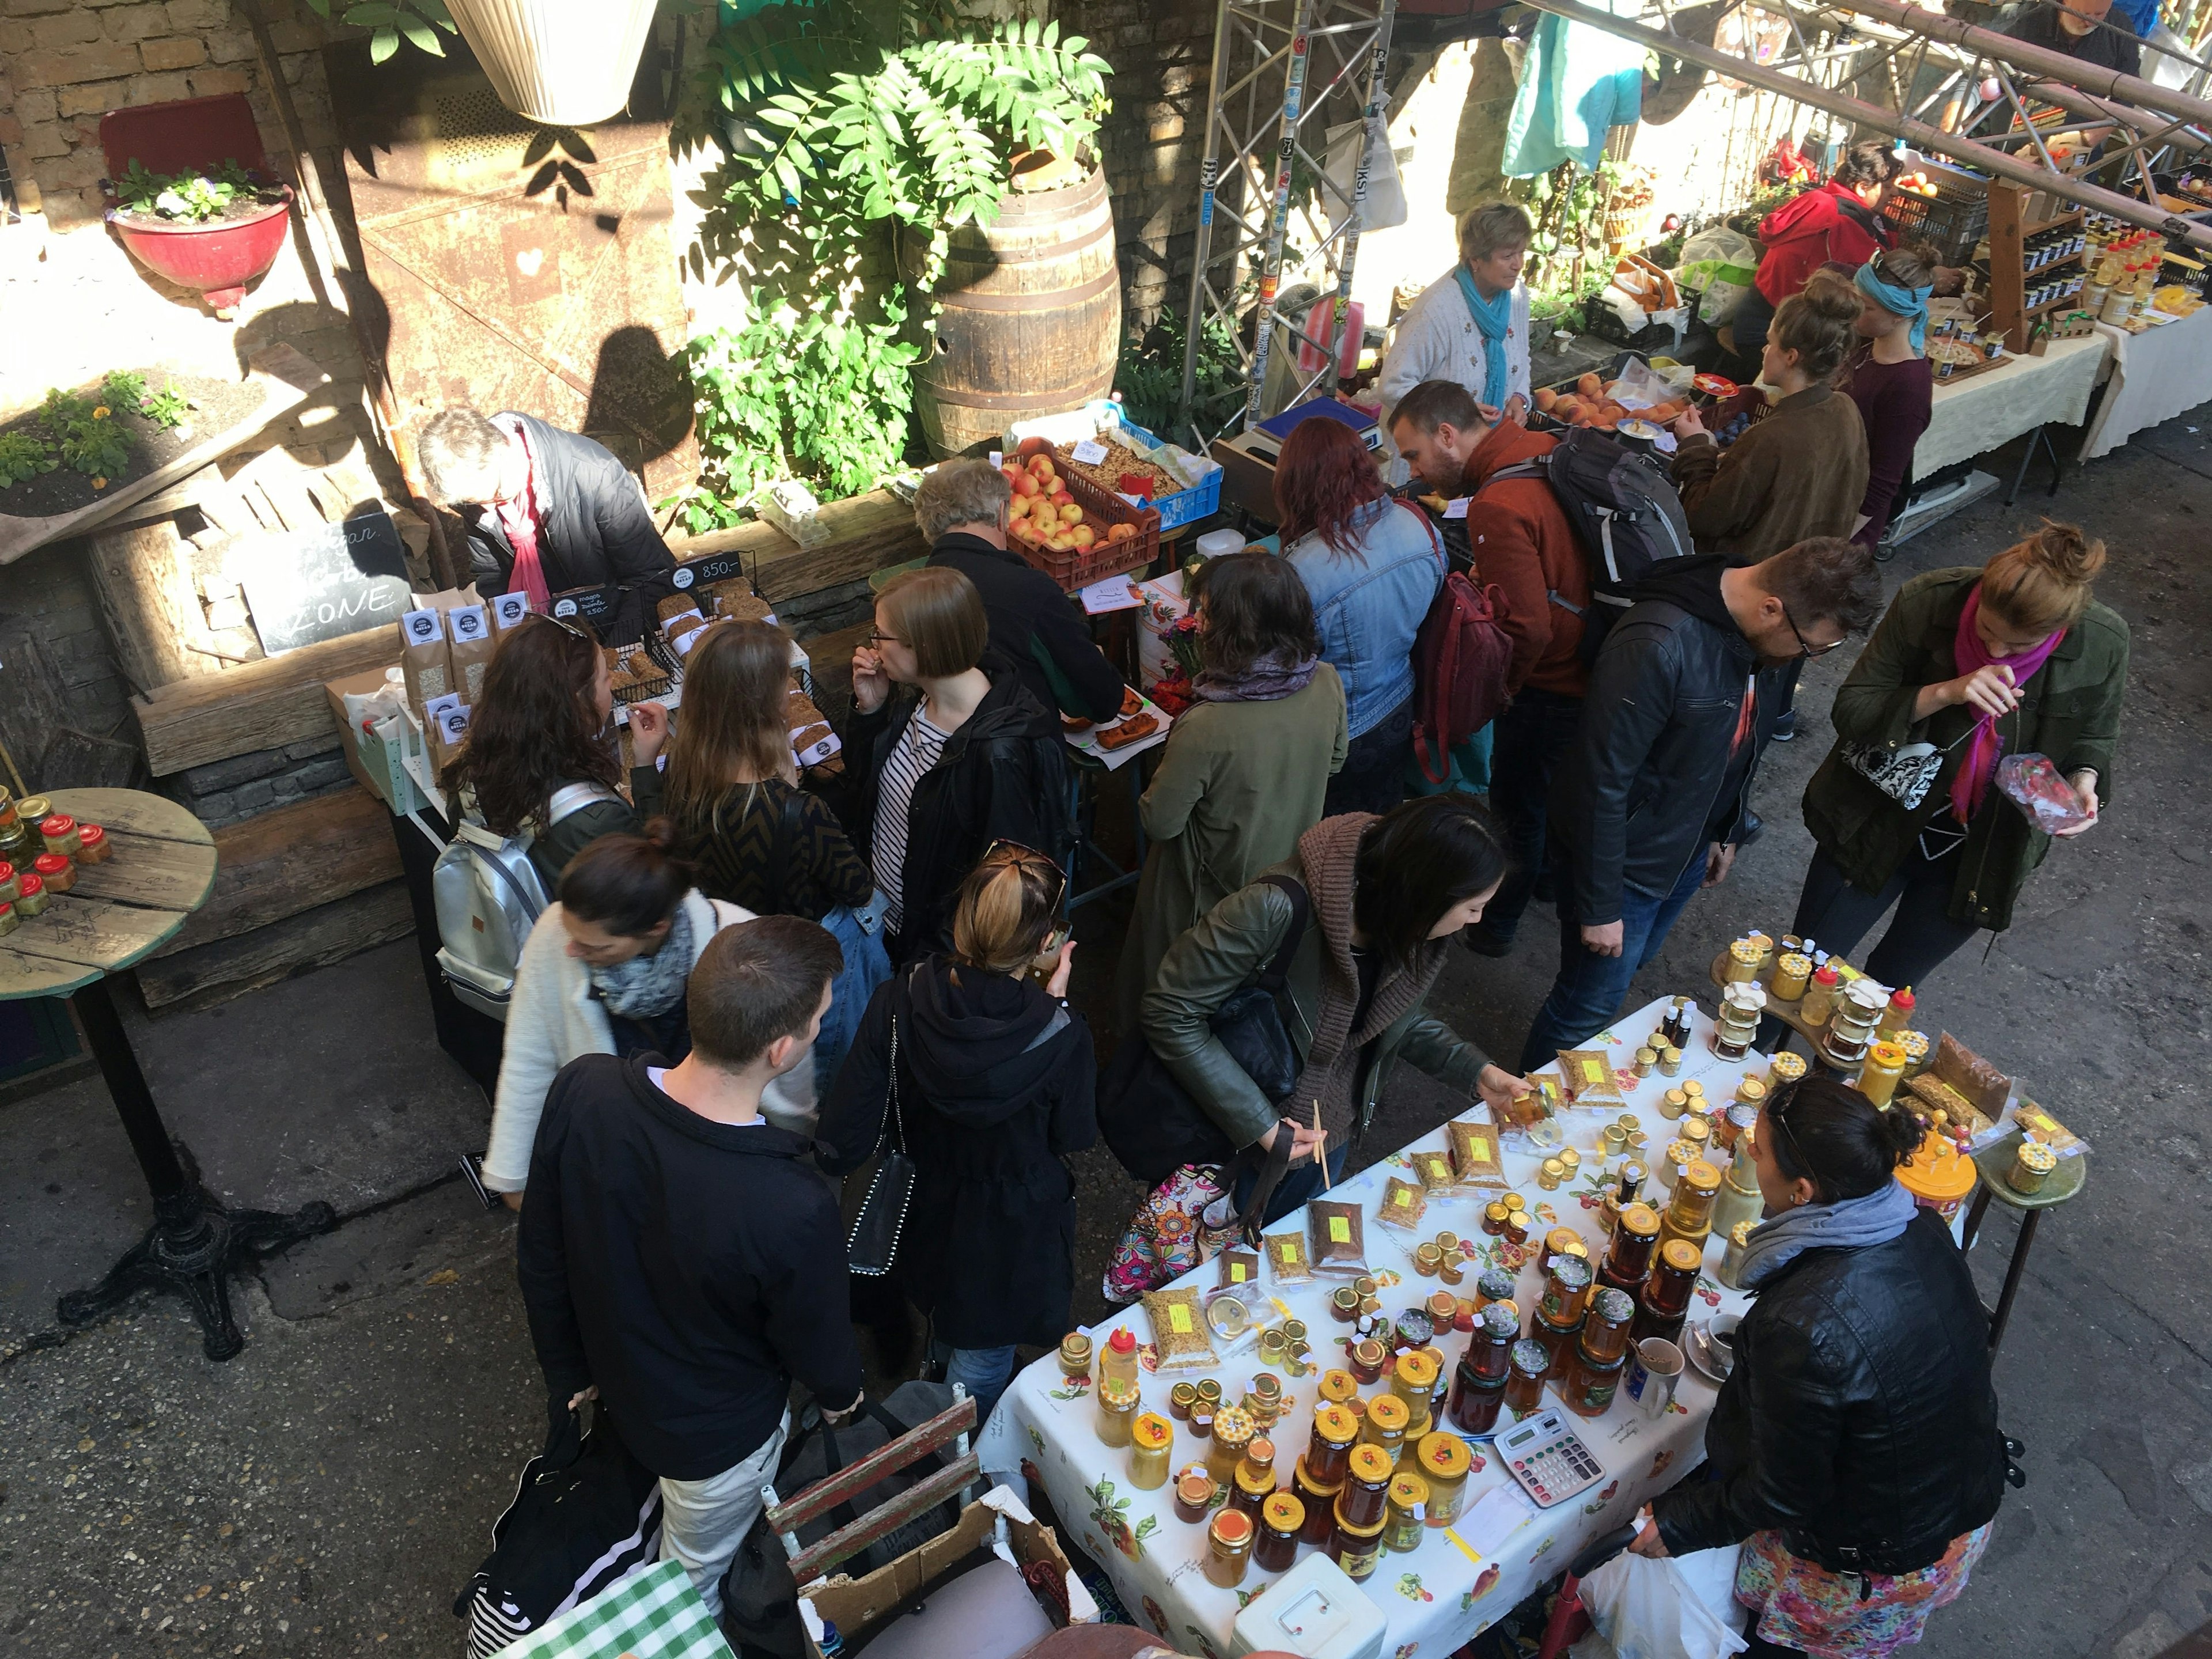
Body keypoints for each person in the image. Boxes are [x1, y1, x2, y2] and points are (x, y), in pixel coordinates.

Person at [517, 916, 863, 1613]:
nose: (823, 1030)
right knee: (689, 1582)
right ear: (781, 1048)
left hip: (620, 1383)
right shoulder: (791, 1204)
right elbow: (813, 1335)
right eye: (821, 1019)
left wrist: (569, 1371)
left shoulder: (585, 1090)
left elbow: (542, 1252)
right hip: (716, 1442)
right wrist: (841, 1398)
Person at [1633, 1077, 2006, 1658]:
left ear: (1803, 1190)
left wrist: (1683, 1524)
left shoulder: (1803, 1327)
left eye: (1757, 1151)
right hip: (1954, 1503)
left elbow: (1785, 1493)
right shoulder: (1922, 1225)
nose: (1748, 1155)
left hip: (1871, 1559)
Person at [1521, 538, 1883, 1072]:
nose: (1807, 660)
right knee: (1584, 1009)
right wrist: (1600, 907)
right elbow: (1599, 781)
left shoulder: (1760, 636)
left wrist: (1727, 829)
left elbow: (1741, 743)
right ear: (1771, 609)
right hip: (1627, 869)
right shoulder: (1656, 645)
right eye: (1813, 648)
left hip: (1684, 850)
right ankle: (1523, 1110)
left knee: (1628, 969)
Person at [1144, 796, 1535, 1224]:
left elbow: (1387, 1014)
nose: (1477, 921)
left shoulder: (1404, 926)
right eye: (1473, 908)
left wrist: (1475, 1071)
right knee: (1207, 1257)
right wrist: (1261, 1126)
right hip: (1235, 1137)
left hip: (1329, 1130)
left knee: (1280, 1248)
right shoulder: (1272, 907)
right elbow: (1171, 1012)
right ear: (1423, 895)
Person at [817, 844, 1094, 1422]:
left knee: (942, 1319)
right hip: (1009, 1231)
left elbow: (844, 1134)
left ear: (963, 919)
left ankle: (935, 1390)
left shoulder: (900, 996)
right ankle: (955, 1458)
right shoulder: (1062, 1034)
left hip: (924, 1204)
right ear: (1047, 945)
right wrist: (1055, 1004)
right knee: (982, 1366)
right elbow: (1072, 1136)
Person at [1794, 522, 2125, 990]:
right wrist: (1945, 691)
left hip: (1984, 851)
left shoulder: (2105, 642)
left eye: (2020, 646)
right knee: (1804, 971)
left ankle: (1836, 1066)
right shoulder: (1928, 601)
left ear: (2061, 630)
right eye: (1985, 630)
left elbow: (2096, 733)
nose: (1995, 653)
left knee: (1887, 993)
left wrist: (2086, 779)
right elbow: (1853, 710)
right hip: (1874, 822)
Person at [480, 823, 820, 1201]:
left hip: (719, 1161)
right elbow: (528, 1058)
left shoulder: (741, 943)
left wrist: (800, 1143)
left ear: (657, 927)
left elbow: (790, 1061)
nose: (571, 950)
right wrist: (514, 1176)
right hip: (617, 1160)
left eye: (597, 946)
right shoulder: (556, 933)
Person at [628, 618, 886, 1096]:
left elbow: (657, 837)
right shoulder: (800, 811)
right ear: (766, 706)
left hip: (731, 957)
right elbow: (857, 889)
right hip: (798, 964)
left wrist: (644, 764)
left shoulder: (683, 782)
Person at [1388, 379, 1590, 958]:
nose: (1418, 472)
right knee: (1556, 793)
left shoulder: (1497, 504)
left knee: (1518, 807)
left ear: (1448, 436)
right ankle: (1549, 883)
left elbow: (1529, 627)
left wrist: (1504, 691)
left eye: (1415, 455)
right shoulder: (1541, 445)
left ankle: (1496, 926)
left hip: (1553, 684)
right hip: (1593, 654)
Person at [1116, 551, 1347, 1030]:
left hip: (1205, 894)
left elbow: (1161, 821)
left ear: (1233, 632)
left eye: (1205, 612)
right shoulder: (1325, 680)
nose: (1196, 622)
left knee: (1173, 1004)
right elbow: (1336, 761)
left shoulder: (1208, 724)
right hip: (1288, 877)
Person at [848, 567, 1069, 963]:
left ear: (926, 648)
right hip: (888, 924)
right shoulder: (917, 699)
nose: (874, 647)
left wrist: (937, 966)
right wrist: (872, 711)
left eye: (881, 635)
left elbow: (1002, 894)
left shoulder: (998, 755)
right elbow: (867, 789)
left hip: (930, 953)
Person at [1275, 416, 1446, 817]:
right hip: (1401, 705)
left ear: (1296, 483)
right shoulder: (1418, 524)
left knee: (1325, 843)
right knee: (1376, 828)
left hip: (1338, 732)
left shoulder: (1305, 568)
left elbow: (1289, 666)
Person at [418, 407, 677, 643]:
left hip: (620, 626)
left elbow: (650, 576)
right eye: (477, 503)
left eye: (496, 494)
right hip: (553, 638)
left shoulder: (595, 473)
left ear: (504, 449)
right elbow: (493, 581)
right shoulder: (479, 496)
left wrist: (612, 653)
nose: (489, 509)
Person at [1672, 273, 1871, 562]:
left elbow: (1704, 517)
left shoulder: (1770, 438)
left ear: (1791, 356)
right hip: (1810, 571)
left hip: (1752, 580)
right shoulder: (1846, 409)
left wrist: (1696, 447)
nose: (1765, 351)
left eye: (1770, 342)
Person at [917, 458, 1125, 723]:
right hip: (1023, 751)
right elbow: (1102, 699)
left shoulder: (914, 590)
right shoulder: (1031, 592)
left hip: (941, 741)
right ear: (1003, 512)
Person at [442, 613, 639, 890]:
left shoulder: (467, 771)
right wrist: (645, 777)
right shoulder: (597, 821)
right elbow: (648, 897)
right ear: (578, 702)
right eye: (606, 678)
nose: (611, 687)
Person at [1377, 203, 1535, 474]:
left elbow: (1521, 356)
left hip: (1481, 449)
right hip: (1425, 461)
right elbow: (1393, 385)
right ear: (1476, 259)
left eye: (1521, 253)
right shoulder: (1436, 311)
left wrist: (1519, 398)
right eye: (1507, 256)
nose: (1518, 265)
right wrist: (1458, 412)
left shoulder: (1516, 296)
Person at [1726, 142, 1900, 362]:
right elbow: (1865, 289)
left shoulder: (1819, 199)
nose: (1895, 192)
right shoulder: (1842, 222)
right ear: (1862, 187)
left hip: (1761, 319)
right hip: (1772, 337)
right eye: (1887, 186)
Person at [1840, 246, 1938, 550]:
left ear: (1898, 315)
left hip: (1849, 520)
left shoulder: (1909, 386)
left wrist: (1840, 539)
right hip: (1830, 492)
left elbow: (1884, 480)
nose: (1855, 310)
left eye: (1867, 306)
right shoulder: (1868, 347)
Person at [2001, 0, 2140, 75]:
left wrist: (2099, 128)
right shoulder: (2028, 25)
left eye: (2099, 14)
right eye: (2083, 14)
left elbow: (2130, 90)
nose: (2090, 22)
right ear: (2064, 3)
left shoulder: (2120, 28)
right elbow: (1997, 70)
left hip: (2090, 124)